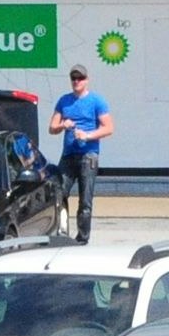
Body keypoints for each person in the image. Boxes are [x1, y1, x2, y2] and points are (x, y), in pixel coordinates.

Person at [49, 65, 114, 239]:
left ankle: (82, 237)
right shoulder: (64, 101)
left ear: (87, 80)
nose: (76, 81)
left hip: (88, 155)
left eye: (80, 78)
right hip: (69, 155)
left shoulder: (96, 101)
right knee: (59, 194)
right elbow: (52, 127)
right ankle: (59, 232)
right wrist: (63, 125)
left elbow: (108, 128)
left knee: (85, 200)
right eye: (74, 78)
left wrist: (88, 135)